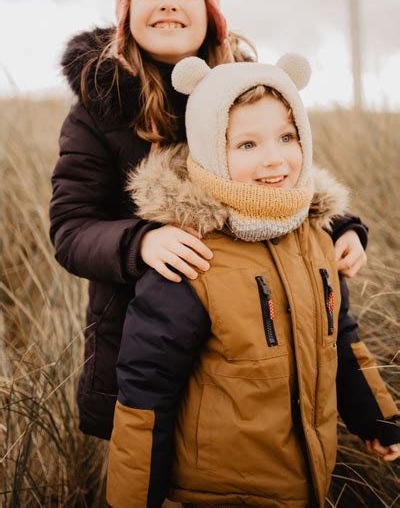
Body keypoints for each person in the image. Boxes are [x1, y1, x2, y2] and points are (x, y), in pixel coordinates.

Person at [49, 0, 368, 441]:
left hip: (248, 341)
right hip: (143, 343)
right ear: (126, 12)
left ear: (212, 10)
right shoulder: (98, 109)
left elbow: (284, 176)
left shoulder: (249, 87)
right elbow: (70, 229)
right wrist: (141, 240)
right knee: (150, 465)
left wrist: (343, 228)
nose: (168, 2)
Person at [106, 55, 400, 508]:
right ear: (209, 148)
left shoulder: (316, 237)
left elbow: (339, 337)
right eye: (247, 145)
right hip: (218, 493)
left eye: (287, 136)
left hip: (306, 479)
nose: (274, 159)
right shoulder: (190, 256)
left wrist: (376, 419)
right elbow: (147, 390)